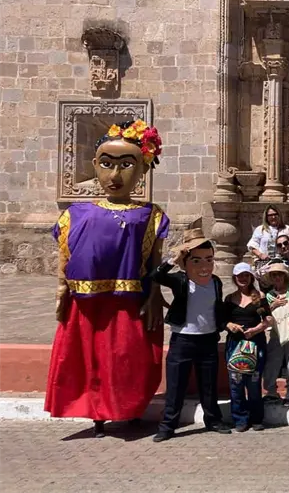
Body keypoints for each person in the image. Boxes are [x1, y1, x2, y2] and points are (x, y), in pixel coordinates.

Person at [45, 119, 167, 438]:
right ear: (95, 166)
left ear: (142, 169)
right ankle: (97, 415)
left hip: (130, 303)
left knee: (128, 359)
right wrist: (61, 290)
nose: (115, 176)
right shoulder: (76, 214)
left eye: (126, 165)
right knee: (91, 360)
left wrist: (155, 294)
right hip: (85, 305)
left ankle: (129, 409)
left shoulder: (151, 215)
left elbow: (156, 261)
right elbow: (64, 256)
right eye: (107, 164)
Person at [152, 229, 233, 441]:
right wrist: (173, 260)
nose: (204, 266)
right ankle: (168, 426)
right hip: (183, 340)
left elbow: (216, 307)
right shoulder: (180, 280)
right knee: (176, 386)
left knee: (208, 386)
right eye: (196, 261)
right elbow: (156, 276)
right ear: (186, 263)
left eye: (209, 260)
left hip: (207, 339)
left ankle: (213, 420)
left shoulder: (216, 282)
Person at [223, 263, 273, 432]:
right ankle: (240, 418)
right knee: (235, 383)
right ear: (235, 278)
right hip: (235, 344)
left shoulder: (258, 297)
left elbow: (268, 320)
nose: (242, 279)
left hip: (254, 343)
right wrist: (230, 325)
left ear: (251, 277)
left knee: (253, 381)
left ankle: (256, 418)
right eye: (239, 276)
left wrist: (255, 330)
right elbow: (222, 320)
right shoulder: (229, 299)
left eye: (246, 275)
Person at [262, 262, 289, 405]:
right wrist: (273, 306)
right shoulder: (268, 296)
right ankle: (270, 391)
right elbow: (264, 313)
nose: (277, 277)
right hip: (276, 334)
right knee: (272, 363)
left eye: (279, 274)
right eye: (274, 275)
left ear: (284, 276)